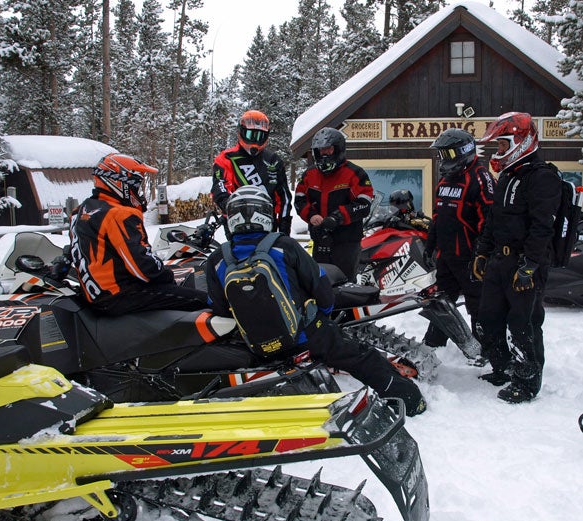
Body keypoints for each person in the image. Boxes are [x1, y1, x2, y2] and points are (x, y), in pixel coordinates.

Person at [206, 185, 427, 417]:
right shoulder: (283, 245)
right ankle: (411, 402)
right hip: (304, 335)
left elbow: (219, 307)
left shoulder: (218, 259)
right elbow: (321, 288)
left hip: (257, 344)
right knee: (361, 356)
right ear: (265, 213)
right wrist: (321, 317)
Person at [472, 112, 561, 403]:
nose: (498, 151)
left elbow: (542, 226)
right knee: (488, 318)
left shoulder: (542, 177)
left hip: (524, 262)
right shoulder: (508, 175)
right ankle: (503, 367)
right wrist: (483, 252)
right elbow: (493, 219)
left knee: (524, 323)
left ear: (520, 141)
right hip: (499, 259)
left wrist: (530, 265)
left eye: (501, 144)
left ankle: (526, 382)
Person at [69, 153, 208, 315]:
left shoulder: (80, 211)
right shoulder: (119, 214)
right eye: (136, 184)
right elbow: (142, 266)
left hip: (98, 294)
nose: (139, 191)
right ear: (118, 182)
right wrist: (168, 277)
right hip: (121, 294)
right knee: (206, 300)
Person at [423, 128, 494, 348]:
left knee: (478, 305)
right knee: (440, 302)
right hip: (446, 255)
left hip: (470, 257)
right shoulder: (444, 182)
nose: (443, 159)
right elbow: (438, 217)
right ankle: (432, 344)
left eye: (448, 153)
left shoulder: (480, 177)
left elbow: (490, 219)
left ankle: (486, 348)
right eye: (442, 154)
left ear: (463, 152)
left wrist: (481, 253)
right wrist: (430, 246)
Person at [295, 127, 374, 282]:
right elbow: (299, 199)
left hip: (347, 243)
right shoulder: (309, 175)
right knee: (320, 284)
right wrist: (311, 216)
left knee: (346, 284)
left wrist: (338, 217)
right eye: (320, 151)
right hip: (320, 241)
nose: (324, 154)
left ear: (338, 149)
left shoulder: (355, 173)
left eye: (328, 150)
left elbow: (364, 203)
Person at [212, 109, 292, 235]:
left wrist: (284, 224)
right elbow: (220, 187)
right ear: (241, 132)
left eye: (260, 136)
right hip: (236, 222)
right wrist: (229, 205)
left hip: (267, 222)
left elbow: (284, 197)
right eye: (251, 135)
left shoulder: (273, 160)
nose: (255, 141)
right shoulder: (226, 158)